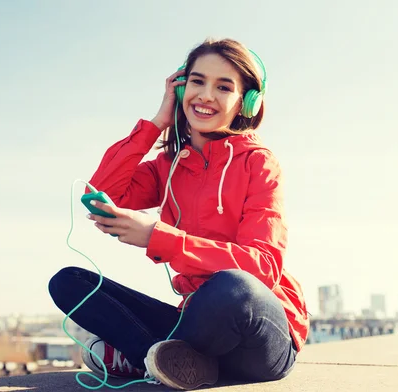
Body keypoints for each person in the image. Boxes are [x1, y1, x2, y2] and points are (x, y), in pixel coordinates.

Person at [48, 38, 309, 391]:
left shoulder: (258, 162)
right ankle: (165, 360)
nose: (205, 96)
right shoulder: (167, 168)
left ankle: (142, 357)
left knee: (234, 287)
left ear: (247, 101)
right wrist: (157, 122)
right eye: (197, 81)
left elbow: (261, 267)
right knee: (69, 282)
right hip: (193, 323)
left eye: (223, 87)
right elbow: (104, 192)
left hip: (256, 332)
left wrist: (158, 237)